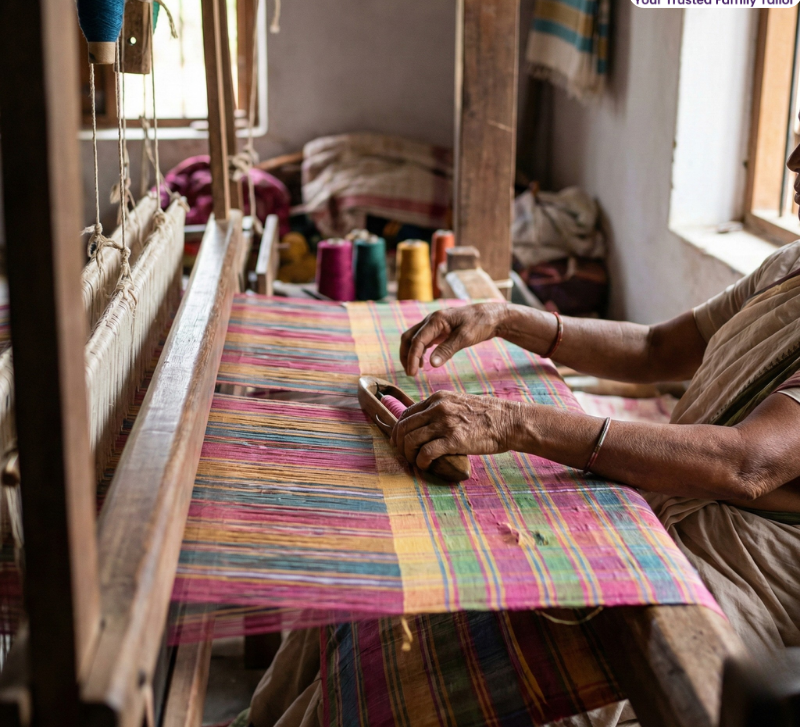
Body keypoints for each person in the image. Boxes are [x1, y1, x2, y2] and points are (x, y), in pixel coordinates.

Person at [249, 149, 800, 727]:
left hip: (726, 580)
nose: (792, 161)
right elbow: (656, 350)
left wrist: (516, 422)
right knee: (385, 584)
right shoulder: (788, 267)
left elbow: (747, 462)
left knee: (439, 656)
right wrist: (504, 318)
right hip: (649, 520)